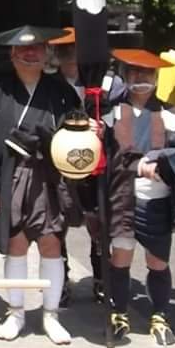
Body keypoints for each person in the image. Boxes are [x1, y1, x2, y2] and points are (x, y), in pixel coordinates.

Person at [0, 24, 80, 345]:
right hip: (11, 177)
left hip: (48, 177)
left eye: (37, 49)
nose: (30, 54)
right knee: (15, 244)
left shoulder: (60, 92)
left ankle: (51, 315)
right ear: (12, 54)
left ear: (46, 54)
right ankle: (16, 312)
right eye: (23, 50)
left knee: (51, 244)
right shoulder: (0, 94)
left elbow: (75, 132)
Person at [100, 49, 175, 345]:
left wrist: (161, 158)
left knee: (157, 261)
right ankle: (118, 311)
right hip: (121, 197)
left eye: (147, 73)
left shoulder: (172, 117)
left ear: (157, 77)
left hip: (155, 200)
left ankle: (160, 314)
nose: (140, 79)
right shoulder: (111, 114)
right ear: (125, 76)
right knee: (120, 257)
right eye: (134, 73)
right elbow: (101, 154)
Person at [47, 27, 125, 304]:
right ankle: (62, 281)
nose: (69, 55)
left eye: (74, 49)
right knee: (59, 223)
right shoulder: (49, 85)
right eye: (63, 50)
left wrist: (107, 127)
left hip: (96, 163)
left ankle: (101, 278)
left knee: (98, 223)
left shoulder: (105, 83)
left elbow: (123, 114)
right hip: (61, 162)